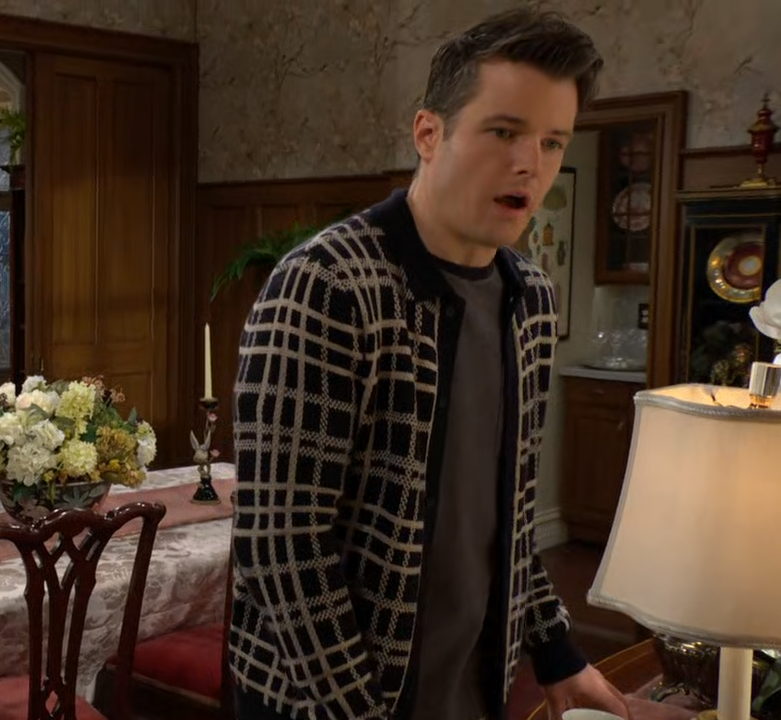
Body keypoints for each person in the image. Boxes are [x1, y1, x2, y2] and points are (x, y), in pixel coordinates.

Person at [230, 9, 629, 720]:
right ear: (428, 133)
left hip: (472, 688)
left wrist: (558, 654)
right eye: (503, 132)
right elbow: (282, 546)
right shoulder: (326, 283)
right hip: (322, 703)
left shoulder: (530, 298)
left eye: (551, 142)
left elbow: (509, 518)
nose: (530, 164)